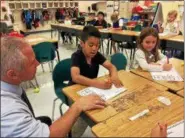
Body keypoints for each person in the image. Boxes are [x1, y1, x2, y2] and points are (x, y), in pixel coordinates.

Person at [1, 36, 106, 137]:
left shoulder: (8, 84)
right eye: (32, 62)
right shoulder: (9, 113)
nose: (38, 63)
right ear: (13, 74)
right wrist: (77, 106)